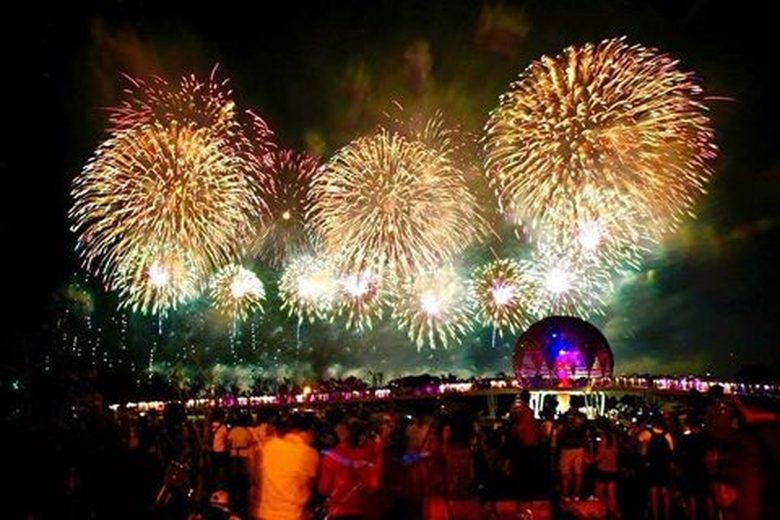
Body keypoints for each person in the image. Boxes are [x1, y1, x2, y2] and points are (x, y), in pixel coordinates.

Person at [257, 413, 319, 520]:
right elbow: (311, 483)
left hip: (267, 512)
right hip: (293, 513)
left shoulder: (270, 446)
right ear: (308, 432)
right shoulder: (308, 453)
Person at [317, 418, 382, 519]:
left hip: (339, 510)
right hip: (364, 511)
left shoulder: (332, 456)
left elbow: (324, 489)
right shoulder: (373, 453)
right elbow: (373, 486)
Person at [643, 417, 675, 520]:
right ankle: (667, 515)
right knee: (665, 492)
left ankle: (655, 515)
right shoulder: (667, 435)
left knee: (653, 493)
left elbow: (641, 446)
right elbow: (672, 450)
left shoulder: (648, 434)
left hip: (652, 466)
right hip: (664, 466)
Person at [557, 399, 589, 501]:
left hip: (567, 446)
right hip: (580, 447)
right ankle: (576, 495)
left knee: (565, 473)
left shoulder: (566, 416)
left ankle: (565, 495)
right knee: (578, 473)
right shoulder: (583, 416)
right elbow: (586, 433)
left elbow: (560, 430)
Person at [591, 418, 619, 519]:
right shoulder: (613, 437)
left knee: (598, 492)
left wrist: (590, 461)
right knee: (611, 494)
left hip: (603, 468)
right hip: (613, 468)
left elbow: (601, 455)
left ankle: (608, 510)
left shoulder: (603, 438)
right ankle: (614, 512)